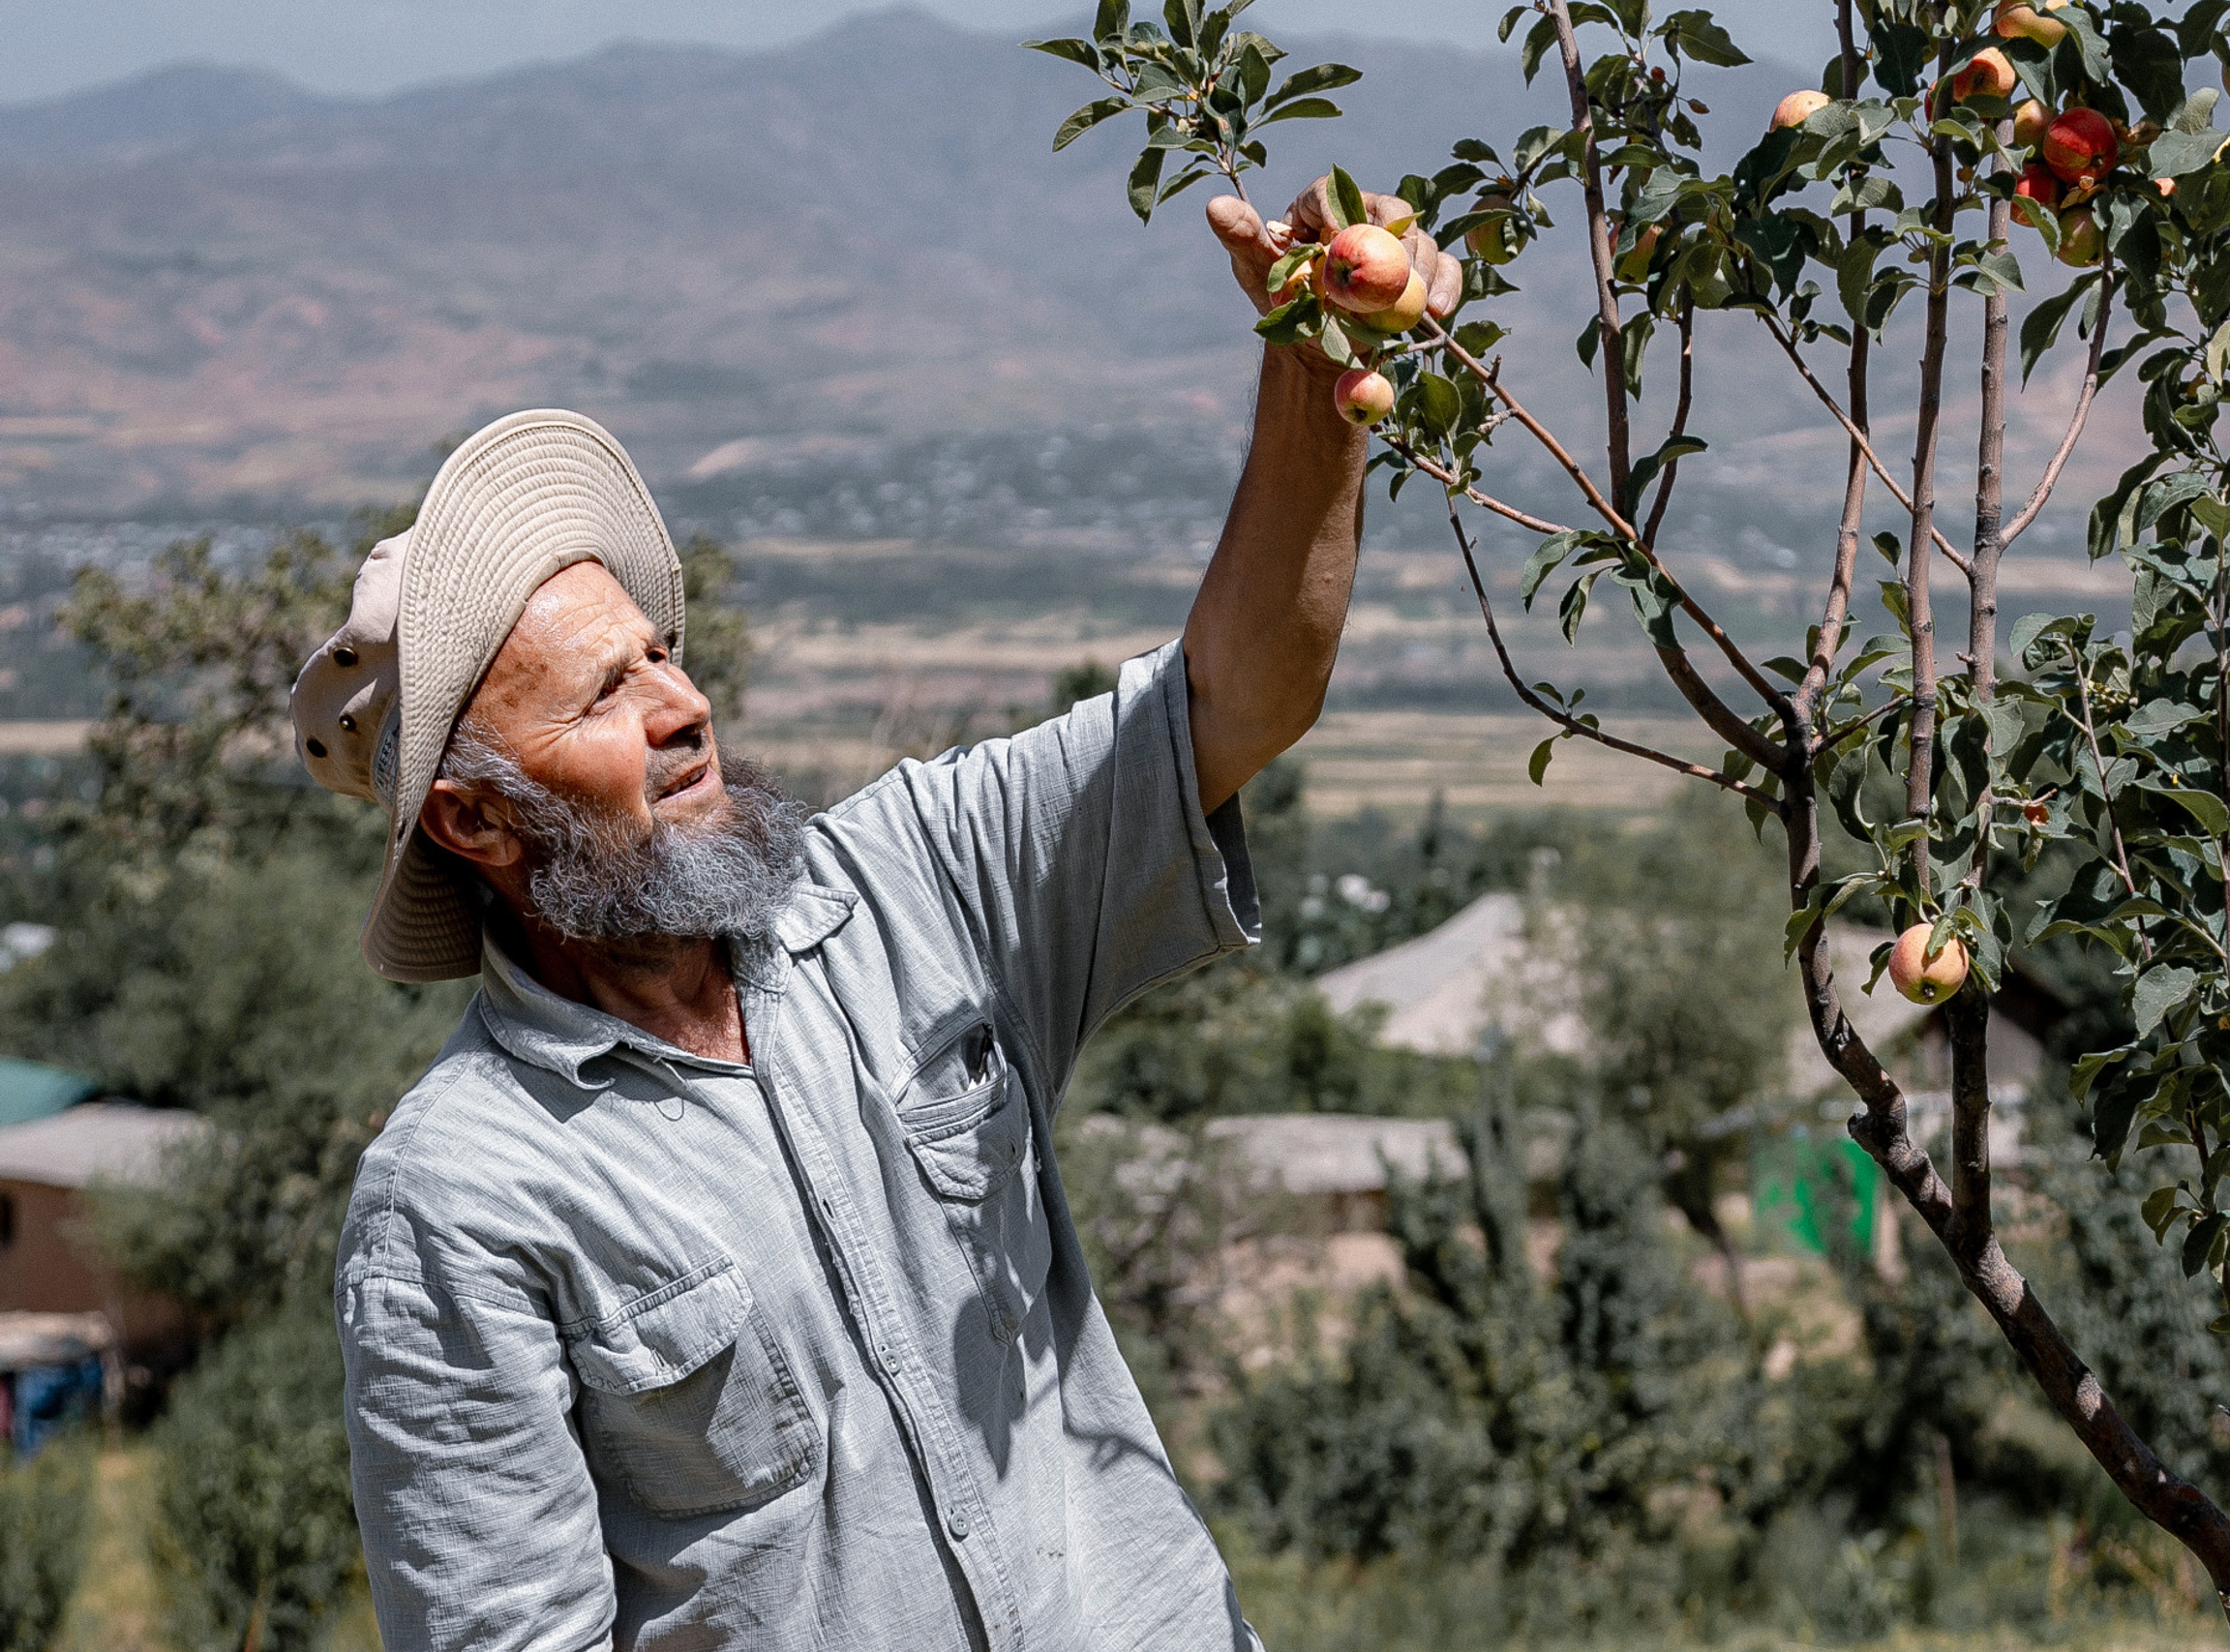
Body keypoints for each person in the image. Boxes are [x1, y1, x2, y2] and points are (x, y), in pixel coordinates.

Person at [296, 181, 1460, 1649]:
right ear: (474, 821)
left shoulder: (911, 882)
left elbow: (1231, 701)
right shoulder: (464, 1201)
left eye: (662, 654)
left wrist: (1316, 369)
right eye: (604, 694)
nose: (683, 705)